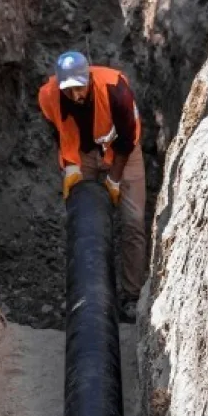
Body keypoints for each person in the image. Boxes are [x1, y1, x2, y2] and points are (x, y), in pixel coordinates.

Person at [38, 50, 147, 323]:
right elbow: (58, 131)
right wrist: (70, 166)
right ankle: (85, 295)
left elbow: (127, 140)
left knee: (132, 221)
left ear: (88, 78)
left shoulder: (116, 91)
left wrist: (114, 179)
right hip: (85, 152)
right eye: (69, 90)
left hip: (122, 150)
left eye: (79, 87)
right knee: (83, 219)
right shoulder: (49, 96)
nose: (75, 96)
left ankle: (131, 296)